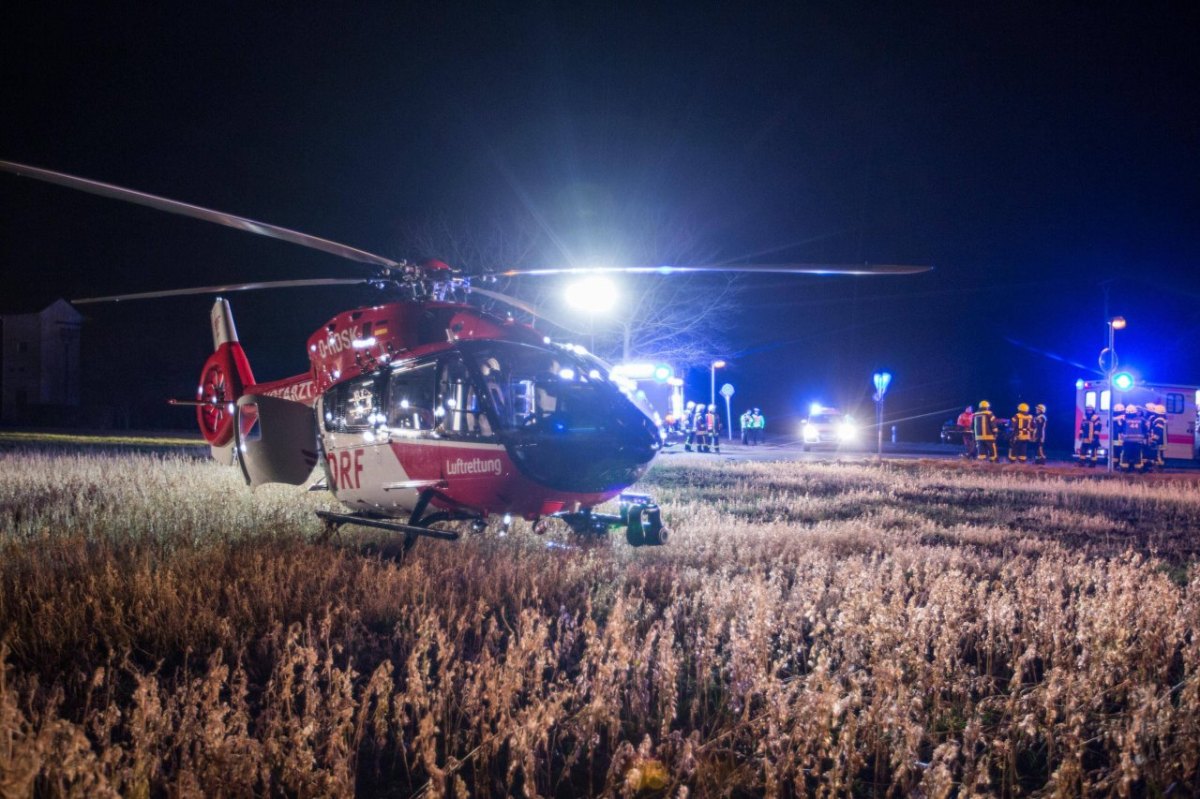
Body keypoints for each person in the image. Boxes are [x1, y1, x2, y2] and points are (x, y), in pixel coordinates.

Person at [1120, 404, 1146, 472]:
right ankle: (1138, 469)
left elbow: (1121, 429)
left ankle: (1124, 469)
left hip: (1127, 441)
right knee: (1138, 456)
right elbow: (1145, 429)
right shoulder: (1142, 420)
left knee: (1126, 455)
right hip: (1138, 441)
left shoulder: (1124, 419)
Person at [1149, 402, 1167, 471]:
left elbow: (1158, 431)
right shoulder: (1163, 420)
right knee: (1159, 455)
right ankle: (1159, 467)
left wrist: (1153, 439)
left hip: (1159, 442)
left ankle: (1158, 468)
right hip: (1161, 441)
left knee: (1158, 456)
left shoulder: (1158, 421)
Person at [1111, 403, 1126, 469]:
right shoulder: (1122, 418)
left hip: (1118, 437)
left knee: (1117, 452)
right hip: (1118, 437)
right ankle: (1117, 465)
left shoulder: (1124, 418)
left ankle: (1116, 465)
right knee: (1119, 452)